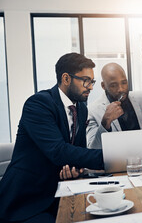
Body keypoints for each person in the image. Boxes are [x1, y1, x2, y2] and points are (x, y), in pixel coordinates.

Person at [0, 53, 104, 222]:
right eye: (85, 80)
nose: (90, 87)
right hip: (27, 201)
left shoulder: (81, 108)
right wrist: (110, 156)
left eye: (91, 81)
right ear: (66, 78)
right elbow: (58, 151)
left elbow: (77, 152)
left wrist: (75, 170)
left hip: (60, 192)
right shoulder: (38, 104)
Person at [87, 63, 142, 149]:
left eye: (124, 83)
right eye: (113, 85)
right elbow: (92, 148)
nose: (121, 89)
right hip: (115, 161)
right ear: (103, 86)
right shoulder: (92, 110)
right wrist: (105, 122)